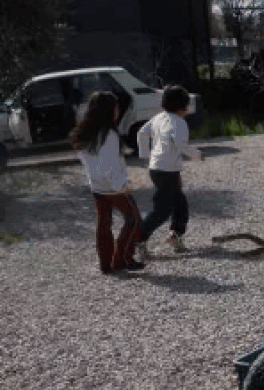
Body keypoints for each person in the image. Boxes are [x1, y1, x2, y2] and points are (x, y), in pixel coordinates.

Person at [70, 91, 144, 273]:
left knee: (104, 223)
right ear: (109, 110)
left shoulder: (86, 132)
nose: (118, 110)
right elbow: (108, 165)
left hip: (96, 185)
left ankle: (105, 264)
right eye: (116, 107)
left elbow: (87, 160)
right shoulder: (109, 135)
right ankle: (122, 259)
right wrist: (122, 186)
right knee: (132, 220)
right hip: (112, 186)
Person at [137, 85, 202, 256]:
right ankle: (137, 238)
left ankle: (175, 236)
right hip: (167, 171)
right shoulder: (179, 123)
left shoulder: (158, 118)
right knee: (163, 210)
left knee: (180, 204)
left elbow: (141, 133)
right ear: (183, 105)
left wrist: (146, 155)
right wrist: (197, 155)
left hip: (158, 168)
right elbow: (180, 145)